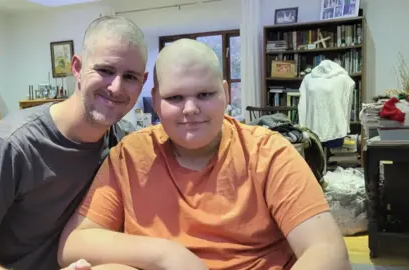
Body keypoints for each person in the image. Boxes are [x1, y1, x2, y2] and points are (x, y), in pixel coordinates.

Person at [58, 38, 351, 270]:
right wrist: (167, 254)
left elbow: (328, 252)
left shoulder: (268, 152)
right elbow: (73, 244)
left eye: (204, 95)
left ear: (226, 93)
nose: (190, 109)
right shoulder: (129, 157)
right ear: (157, 102)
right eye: (175, 98)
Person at [0, 15, 148, 270]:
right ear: (77, 68)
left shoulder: (125, 144)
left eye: (130, 77)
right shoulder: (5, 149)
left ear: (143, 82)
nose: (116, 87)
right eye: (105, 70)